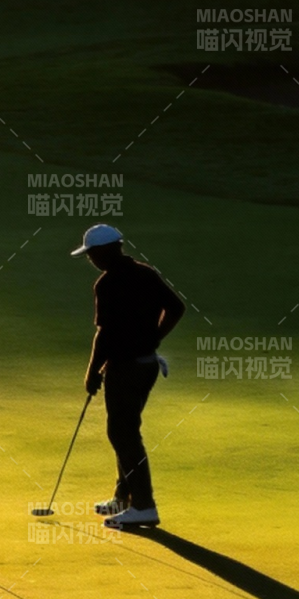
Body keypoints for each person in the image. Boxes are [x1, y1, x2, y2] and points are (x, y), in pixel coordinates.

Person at [73, 224, 184, 529]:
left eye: (92, 254)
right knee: (125, 429)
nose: (91, 259)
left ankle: (144, 506)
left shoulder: (107, 283)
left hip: (125, 368)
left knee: (123, 434)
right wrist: (154, 338)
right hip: (147, 364)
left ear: (105, 251)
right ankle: (124, 497)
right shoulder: (145, 273)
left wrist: (92, 372)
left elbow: (104, 334)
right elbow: (176, 308)